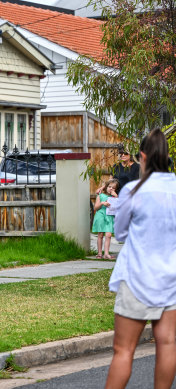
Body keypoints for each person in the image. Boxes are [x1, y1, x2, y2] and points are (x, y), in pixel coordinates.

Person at [105, 129, 176, 389]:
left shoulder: (133, 190)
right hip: (170, 278)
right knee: (167, 343)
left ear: (143, 156)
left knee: (124, 350)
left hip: (136, 277)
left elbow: (121, 231)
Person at [91, 178, 119, 260]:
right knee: (100, 234)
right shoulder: (100, 195)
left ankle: (106, 253)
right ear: (106, 187)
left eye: (113, 188)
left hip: (109, 216)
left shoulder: (114, 197)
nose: (111, 189)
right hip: (101, 215)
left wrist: (115, 196)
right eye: (110, 187)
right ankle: (99, 253)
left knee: (109, 235)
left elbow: (117, 206)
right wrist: (102, 203)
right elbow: (96, 207)